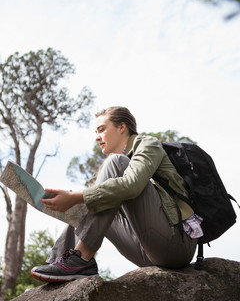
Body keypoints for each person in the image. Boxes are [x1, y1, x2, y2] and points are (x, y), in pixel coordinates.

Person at [31, 106, 203, 283]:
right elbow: (92, 200)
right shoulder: (115, 166)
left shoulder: (148, 145)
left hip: (176, 245)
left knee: (113, 166)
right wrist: (63, 200)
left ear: (122, 127)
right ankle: (60, 267)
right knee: (93, 200)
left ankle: (81, 259)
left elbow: (132, 185)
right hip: (146, 251)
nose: (97, 137)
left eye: (102, 129)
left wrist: (76, 197)